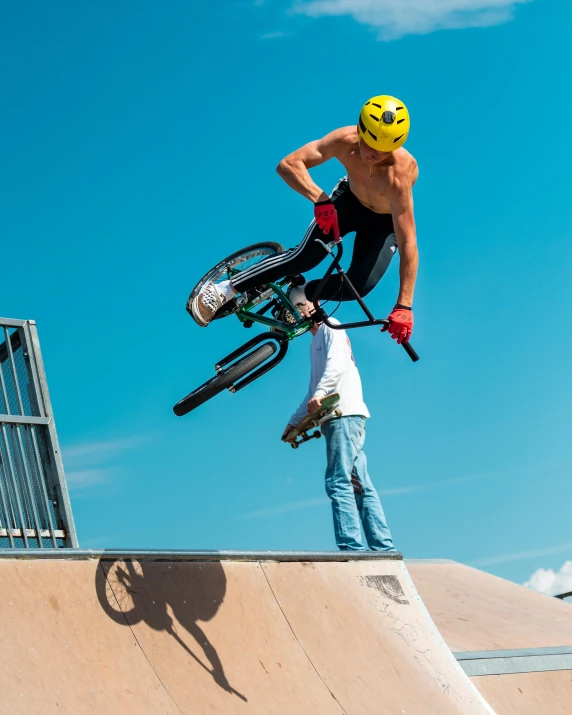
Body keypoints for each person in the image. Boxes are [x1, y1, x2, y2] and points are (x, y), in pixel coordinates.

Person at [191, 94, 418, 346]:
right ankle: (224, 289)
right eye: (370, 145)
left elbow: (409, 244)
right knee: (307, 256)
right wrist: (320, 200)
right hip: (350, 201)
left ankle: (304, 293)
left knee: (360, 286)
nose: (374, 155)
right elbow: (288, 164)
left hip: (383, 222)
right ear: (361, 130)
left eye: (383, 151)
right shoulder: (344, 140)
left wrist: (404, 306)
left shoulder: (399, 176)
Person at [282, 288, 395, 552]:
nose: (298, 313)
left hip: (341, 415)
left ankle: (351, 549)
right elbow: (313, 390)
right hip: (346, 416)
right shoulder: (315, 341)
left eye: (301, 306)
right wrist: (293, 422)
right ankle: (383, 548)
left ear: (314, 305)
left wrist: (322, 393)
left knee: (338, 480)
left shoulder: (331, 327)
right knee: (360, 484)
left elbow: (336, 365)